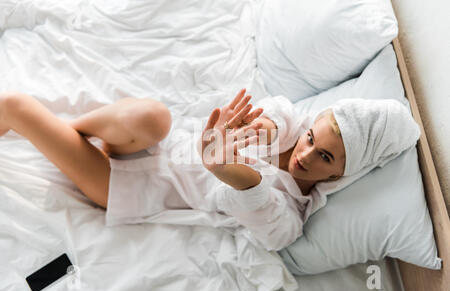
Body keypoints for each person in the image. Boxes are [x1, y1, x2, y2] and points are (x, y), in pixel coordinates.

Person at [0, 89, 420, 251]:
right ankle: (66, 136)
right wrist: (260, 128)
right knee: (156, 115)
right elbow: (275, 115)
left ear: (339, 176)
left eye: (325, 158)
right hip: (149, 141)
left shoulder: (290, 214)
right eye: (313, 139)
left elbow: (268, 226)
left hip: (127, 186)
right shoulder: (288, 125)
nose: (307, 155)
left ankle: (56, 138)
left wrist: (229, 170)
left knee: (14, 106)